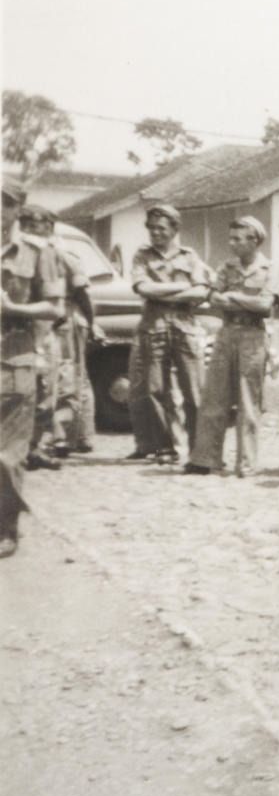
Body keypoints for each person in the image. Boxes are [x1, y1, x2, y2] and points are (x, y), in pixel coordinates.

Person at [184, 216, 276, 476]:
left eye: (237, 239)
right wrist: (244, 301)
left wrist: (233, 296)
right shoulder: (227, 267)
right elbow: (213, 298)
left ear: (254, 241)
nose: (232, 243)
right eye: (231, 238)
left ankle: (246, 463)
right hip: (226, 333)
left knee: (249, 401)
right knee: (214, 396)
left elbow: (265, 305)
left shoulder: (269, 269)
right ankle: (205, 458)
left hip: (253, 336)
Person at [1, 181, 64, 557]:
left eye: (4, 204)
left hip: (13, 358)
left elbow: (54, 307)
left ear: (17, 210)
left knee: (7, 455)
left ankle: (6, 528)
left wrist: (13, 309)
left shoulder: (38, 252)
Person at [129, 203, 210, 464]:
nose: (156, 233)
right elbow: (143, 288)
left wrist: (162, 291)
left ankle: (199, 449)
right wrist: (181, 287)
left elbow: (202, 291)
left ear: (175, 229)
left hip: (184, 326)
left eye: (161, 228)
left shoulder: (190, 256)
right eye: (151, 228)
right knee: (155, 390)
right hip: (154, 326)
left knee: (194, 391)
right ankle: (165, 447)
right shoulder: (142, 256)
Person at [19, 206, 96, 459]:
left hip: (66, 318)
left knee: (68, 378)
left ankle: (68, 437)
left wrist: (92, 321)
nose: (27, 230)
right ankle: (70, 436)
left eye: (34, 225)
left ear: (49, 227)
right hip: (40, 320)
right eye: (24, 225)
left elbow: (81, 291)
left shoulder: (61, 252)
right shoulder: (25, 253)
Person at [18, 206, 69, 470]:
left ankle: (35, 447)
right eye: (26, 224)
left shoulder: (54, 251)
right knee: (27, 390)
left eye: (37, 224)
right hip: (26, 330)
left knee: (47, 391)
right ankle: (23, 447)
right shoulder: (18, 253)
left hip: (47, 329)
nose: (32, 229)